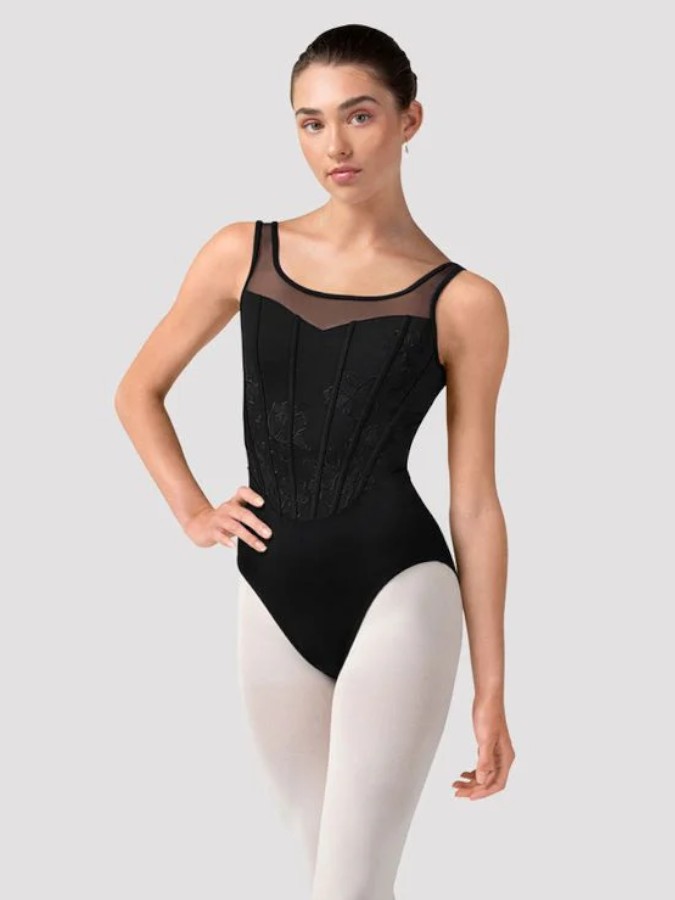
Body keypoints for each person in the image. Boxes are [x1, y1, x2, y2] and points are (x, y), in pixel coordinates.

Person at [115, 22, 515, 899]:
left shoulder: (464, 302)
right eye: (311, 121)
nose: (334, 144)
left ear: (409, 120)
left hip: (401, 590)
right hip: (269, 593)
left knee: (348, 887)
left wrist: (489, 690)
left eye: (358, 115)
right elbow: (138, 390)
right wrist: (191, 510)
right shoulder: (242, 252)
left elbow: (475, 504)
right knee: (326, 878)